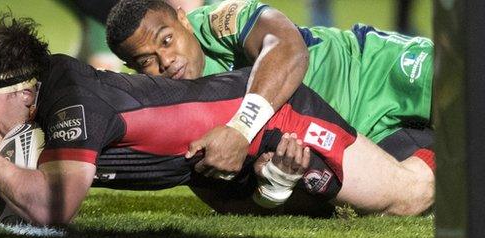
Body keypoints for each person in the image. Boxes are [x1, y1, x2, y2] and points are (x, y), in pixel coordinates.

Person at [0, 17, 432, 226]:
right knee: (303, 207)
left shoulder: (72, 98)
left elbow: (55, 205)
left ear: (24, 91)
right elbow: (36, 181)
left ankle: (448, 140)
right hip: (211, 170)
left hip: (281, 118)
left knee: (406, 199)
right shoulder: (49, 108)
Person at [105, 0, 435, 177]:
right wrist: (274, 179)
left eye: (167, 40)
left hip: (372, 68)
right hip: (361, 139)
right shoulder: (170, 109)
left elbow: (289, 50)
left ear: (184, 21)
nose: (167, 60)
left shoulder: (220, 21)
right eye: (147, 61)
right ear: (134, 70)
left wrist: (242, 128)